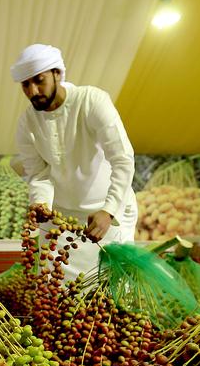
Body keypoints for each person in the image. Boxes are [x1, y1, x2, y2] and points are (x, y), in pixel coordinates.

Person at [11, 43, 137, 280]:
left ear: (57, 73)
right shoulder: (27, 123)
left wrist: (108, 211)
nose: (33, 91)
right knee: (54, 292)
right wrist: (40, 205)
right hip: (62, 220)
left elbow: (122, 159)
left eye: (39, 80)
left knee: (111, 293)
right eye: (26, 84)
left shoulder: (91, 101)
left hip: (108, 213)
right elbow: (38, 174)